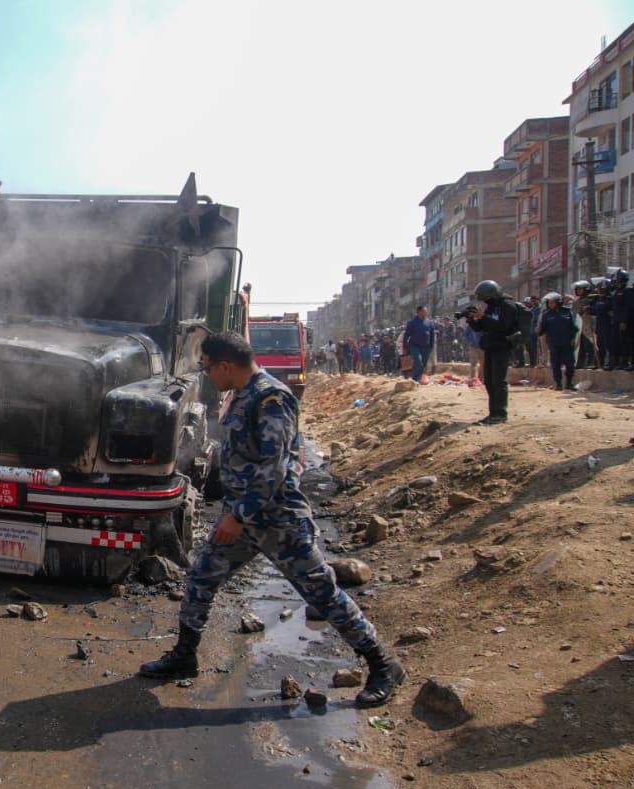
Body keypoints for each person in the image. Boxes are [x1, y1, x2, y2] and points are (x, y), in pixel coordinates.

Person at [139, 332, 406, 706]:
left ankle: (384, 664)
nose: (208, 374)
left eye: (208, 367)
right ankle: (184, 655)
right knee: (202, 577)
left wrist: (240, 515)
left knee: (323, 595)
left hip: (278, 520)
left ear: (226, 366)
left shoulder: (271, 397)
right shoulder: (243, 395)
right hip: (243, 518)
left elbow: (274, 467)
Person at [468, 280, 517, 424]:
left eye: (486, 298)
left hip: (501, 347)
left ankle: (501, 414)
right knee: (489, 381)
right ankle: (493, 413)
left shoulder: (507, 306)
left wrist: (484, 317)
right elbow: (482, 327)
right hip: (489, 347)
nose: (485, 301)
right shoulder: (491, 308)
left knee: (498, 381)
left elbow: (503, 326)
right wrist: (473, 320)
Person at [537, 292, 578, 391]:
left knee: (570, 364)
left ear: (558, 302)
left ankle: (569, 383)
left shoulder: (567, 312)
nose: (550, 305)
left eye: (552, 303)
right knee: (555, 365)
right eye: (549, 303)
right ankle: (558, 383)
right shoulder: (546, 314)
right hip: (554, 343)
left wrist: (573, 338)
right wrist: (539, 330)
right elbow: (542, 329)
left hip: (567, 343)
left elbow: (574, 328)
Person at [402, 306, 435, 382]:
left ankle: (418, 378)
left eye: (426, 311)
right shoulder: (412, 323)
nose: (426, 312)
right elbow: (406, 335)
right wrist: (405, 347)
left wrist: (431, 345)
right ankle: (415, 378)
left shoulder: (429, 322)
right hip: (415, 346)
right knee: (418, 361)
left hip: (426, 346)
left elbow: (432, 334)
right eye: (424, 311)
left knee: (423, 363)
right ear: (419, 312)